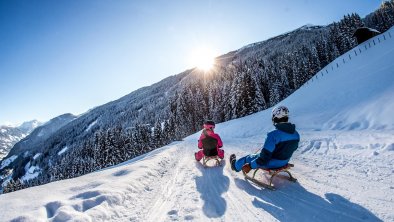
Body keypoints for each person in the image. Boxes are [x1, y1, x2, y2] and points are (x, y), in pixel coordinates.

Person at [230, 106, 300, 173]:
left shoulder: (273, 135)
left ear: (275, 118)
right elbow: (292, 148)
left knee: (248, 158)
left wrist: (250, 166)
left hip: (271, 163)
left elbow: (264, 158)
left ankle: (235, 166)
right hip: (285, 161)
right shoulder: (296, 134)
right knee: (261, 155)